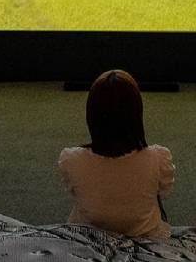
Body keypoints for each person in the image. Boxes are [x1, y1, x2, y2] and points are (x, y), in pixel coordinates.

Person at [57, 69, 175, 239]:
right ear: (136, 113)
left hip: (87, 244)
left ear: (92, 114)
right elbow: (163, 192)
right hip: (146, 243)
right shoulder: (159, 158)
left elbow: (77, 192)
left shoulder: (71, 160)